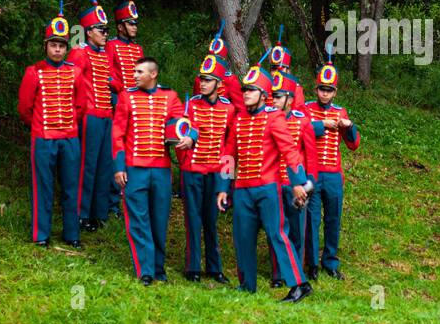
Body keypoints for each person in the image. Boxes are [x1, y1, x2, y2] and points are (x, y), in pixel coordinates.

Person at [215, 63, 313, 302]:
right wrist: (222, 188)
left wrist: (299, 182)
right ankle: (247, 284)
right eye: (244, 89)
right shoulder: (238, 120)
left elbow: (290, 151)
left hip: (268, 188)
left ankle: (300, 284)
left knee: (277, 234)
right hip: (242, 190)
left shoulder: (274, 117)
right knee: (242, 237)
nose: (245, 93)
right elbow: (229, 155)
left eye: (251, 89)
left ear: (263, 95)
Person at [112, 56, 193, 284]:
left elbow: (184, 123)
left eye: (139, 72)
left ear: (153, 74)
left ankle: (159, 268)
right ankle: (145, 270)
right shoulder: (126, 97)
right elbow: (117, 134)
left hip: (161, 171)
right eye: (134, 72)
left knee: (159, 221)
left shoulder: (170, 97)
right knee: (138, 220)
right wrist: (119, 168)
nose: (135, 75)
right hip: (134, 170)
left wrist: (190, 137)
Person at [17, 2, 88, 248]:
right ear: (45, 46)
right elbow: (25, 108)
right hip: (43, 138)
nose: (57, 50)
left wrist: (69, 126)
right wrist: (38, 127)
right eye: (53, 45)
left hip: (69, 137)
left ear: (66, 48)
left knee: (71, 186)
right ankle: (41, 234)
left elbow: (81, 105)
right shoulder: (33, 72)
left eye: (61, 46)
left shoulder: (76, 72)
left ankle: (72, 234)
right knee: (43, 186)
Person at [177, 54, 236, 283]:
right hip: (193, 170)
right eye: (202, 78)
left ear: (219, 84)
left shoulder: (229, 109)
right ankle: (193, 267)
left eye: (208, 79)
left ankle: (214, 267)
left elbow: (230, 148)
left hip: (215, 172)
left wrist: (226, 182)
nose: (202, 83)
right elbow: (183, 128)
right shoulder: (191, 103)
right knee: (193, 218)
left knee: (211, 220)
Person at [304, 50, 360, 280]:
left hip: (334, 175)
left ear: (335, 92)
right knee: (312, 219)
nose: (325, 94)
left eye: (329, 90)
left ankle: (330, 261)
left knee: (333, 219)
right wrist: (322, 124)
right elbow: (302, 132)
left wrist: (349, 125)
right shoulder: (307, 109)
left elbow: (353, 144)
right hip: (313, 174)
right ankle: (312, 264)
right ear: (315, 88)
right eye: (321, 89)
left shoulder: (340, 112)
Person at [66, 0, 115, 233]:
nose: (106, 34)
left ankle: (99, 211)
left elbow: (113, 81)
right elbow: (69, 85)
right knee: (87, 165)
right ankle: (82, 213)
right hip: (90, 117)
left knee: (105, 164)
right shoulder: (79, 53)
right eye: (101, 30)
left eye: (107, 30)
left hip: (107, 115)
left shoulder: (104, 54)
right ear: (88, 31)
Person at [270, 71, 321, 283]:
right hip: (273, 183)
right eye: (272, 96)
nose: (273, 100)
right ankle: (278, 274)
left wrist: (307, 186)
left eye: (278, 96)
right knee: (276, 230)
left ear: (289, 100)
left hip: (296, 187)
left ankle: (297, 272)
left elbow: (311, 158)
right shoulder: (268, 120)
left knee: (297, 231)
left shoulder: (302, 122)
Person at [104, 0, 143, 217]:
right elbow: (107, 75)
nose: (134, 27)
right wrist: (123, 92)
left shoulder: (137, 49)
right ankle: (112, 201)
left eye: (136, 23)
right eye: (130, 23)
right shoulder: (111, 46)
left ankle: (128, 196)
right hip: (118, 104)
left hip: (136, 106)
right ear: (120, 26)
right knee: (115, 152)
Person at [267, 25, 307, 110]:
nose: (276, 72)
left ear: (287, 70)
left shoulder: (296, 89)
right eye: (274, 69)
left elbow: (298, 112)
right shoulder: (265, 87)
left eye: (280, 68)